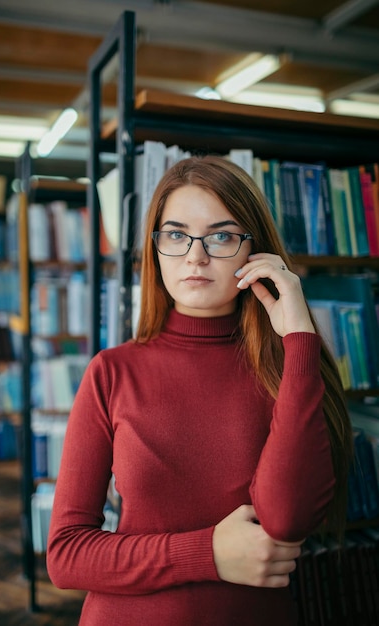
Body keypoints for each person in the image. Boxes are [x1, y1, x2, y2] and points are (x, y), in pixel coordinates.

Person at [47, 154, 353, 625]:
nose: (195, 255)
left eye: (222, 235)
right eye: (175, 234)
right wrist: (205, 552)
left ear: (257, 251)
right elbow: (66, 556)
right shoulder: (111, 372)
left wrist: (298, 337)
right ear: (155, 249)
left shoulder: (288, 369)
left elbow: (288, 519)